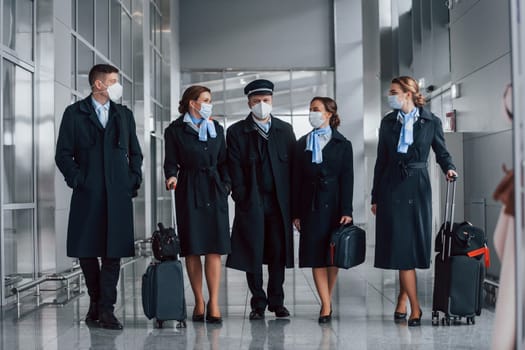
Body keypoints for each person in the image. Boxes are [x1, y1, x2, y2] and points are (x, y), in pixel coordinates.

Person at [55, 64, 143, 330]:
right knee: (87, 251)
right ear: (98, 85)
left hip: (117, 193)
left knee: (113, 253)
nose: (117, 85)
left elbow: (136, 153)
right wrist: (79, 180)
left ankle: (106, 309)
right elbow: (63, 154)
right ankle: (96, 301)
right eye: (113, 81)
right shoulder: (74, 114)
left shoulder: (124, 115)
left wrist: (132, 179)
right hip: (88, 194)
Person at [371, 76, 457, 327]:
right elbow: (381, 161)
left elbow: (442, 152)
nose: (390, 95)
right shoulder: (387, 122)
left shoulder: (431, 121)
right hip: (391, 188)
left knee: (409, 249)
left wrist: (449, 168)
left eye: (394, 91)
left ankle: (402, 300)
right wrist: (376, 196)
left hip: (418, 188)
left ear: (408, 94)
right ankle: (415, 309)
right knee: (402, 249)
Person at [226, 79, 296, 320]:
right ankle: (258, 303)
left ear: (272, 101)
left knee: (278, 253)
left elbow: (293, 169)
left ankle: (277, 302)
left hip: (279, 204)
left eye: (266, 101)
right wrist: (241, 195)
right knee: (252, 252)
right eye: (257, 101)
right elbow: (233, 167)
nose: (262, 105)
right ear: (248, 103)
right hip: (251, 202)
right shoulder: (236, 131)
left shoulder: (285, 130)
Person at [164, 85, 231, 324]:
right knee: (192, 249)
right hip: (189, 189)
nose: (208, 104)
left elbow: (224, 162)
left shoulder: (216, 128)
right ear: (192, 103)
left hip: (214, 189)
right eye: (205, 100)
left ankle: (213, 301)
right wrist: (171, 176)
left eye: (209, 100)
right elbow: (170, 161)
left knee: (214, 248)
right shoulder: (174, 131)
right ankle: (199, 301)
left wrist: (226, 186)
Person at [292, 97, 354, 323]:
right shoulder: (302, 144)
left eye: (316, 109)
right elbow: (296, 180)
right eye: (310, 109)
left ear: (329, 114)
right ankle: (326, 304)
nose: (312, 113)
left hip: (336, 206)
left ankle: (326, 298)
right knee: (316, 255)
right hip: (311, 206)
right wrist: (296, 212)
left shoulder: (343, 144)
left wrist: (347, 209)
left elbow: (348, 179)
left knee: (332, 256)